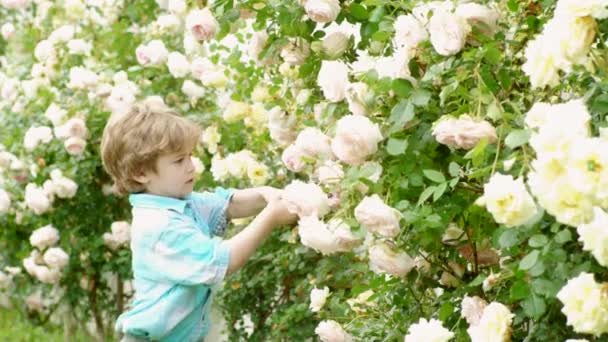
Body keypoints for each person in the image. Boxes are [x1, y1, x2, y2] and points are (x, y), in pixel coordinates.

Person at [100, 99, 297, 341]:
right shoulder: (160, 226)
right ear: (141, 173)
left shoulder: (181, 203)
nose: (191, 166)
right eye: (178, 160)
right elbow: (223, 262)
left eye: (190, 156)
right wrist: (271, 217)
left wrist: (266, 195)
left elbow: (227, 205)